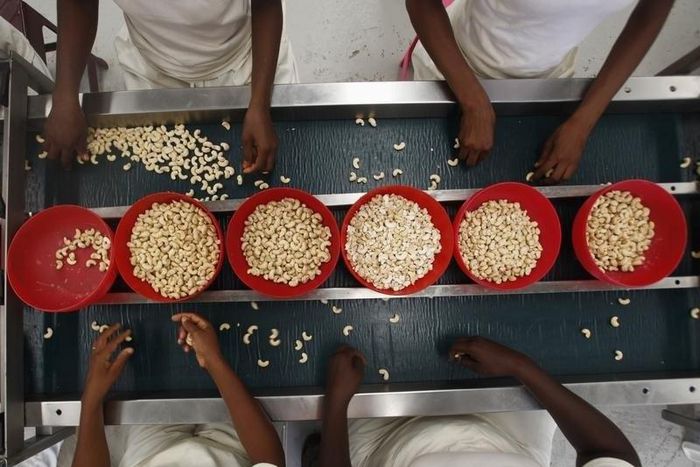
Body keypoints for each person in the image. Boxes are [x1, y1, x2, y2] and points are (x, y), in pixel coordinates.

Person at [405, 0, 675, 183]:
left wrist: (583, 122)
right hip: (464, 55)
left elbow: (651, 15)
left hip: (549, 72)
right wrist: (474, 102)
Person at [43, 0, 297, 173]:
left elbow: (266, 5)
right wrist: (65, 95)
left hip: (245, 56)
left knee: (280, 157)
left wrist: (260, 105)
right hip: (154, 65)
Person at [317, 339, 640, 467]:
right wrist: (521, 367)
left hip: (384, 447)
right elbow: (611, 454)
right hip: (510, 440)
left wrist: (336, 403)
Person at [69, 314, 284, 467]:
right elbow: (269, 460)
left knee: (154, 378)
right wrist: (214, 361)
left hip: (151, 452)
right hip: (232, 450)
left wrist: (91, 399)